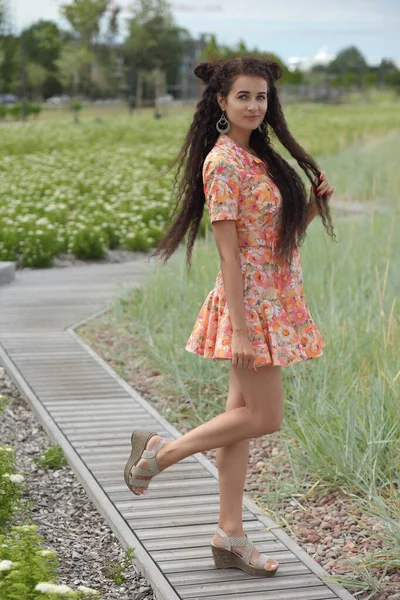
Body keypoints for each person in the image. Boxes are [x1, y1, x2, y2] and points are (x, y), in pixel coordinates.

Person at [124, 56, 335, 577]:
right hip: (251, 308)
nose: (254, 105)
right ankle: (160, 453)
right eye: (243, 96)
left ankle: (230, 537)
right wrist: (240, 329)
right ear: (221, 102)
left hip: (274, 299)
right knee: (265, 418)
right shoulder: (222, 164)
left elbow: (271, 241)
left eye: (261, 97)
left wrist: (309, 207)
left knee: (237, 427)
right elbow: (230, 255)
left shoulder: (258, 158)